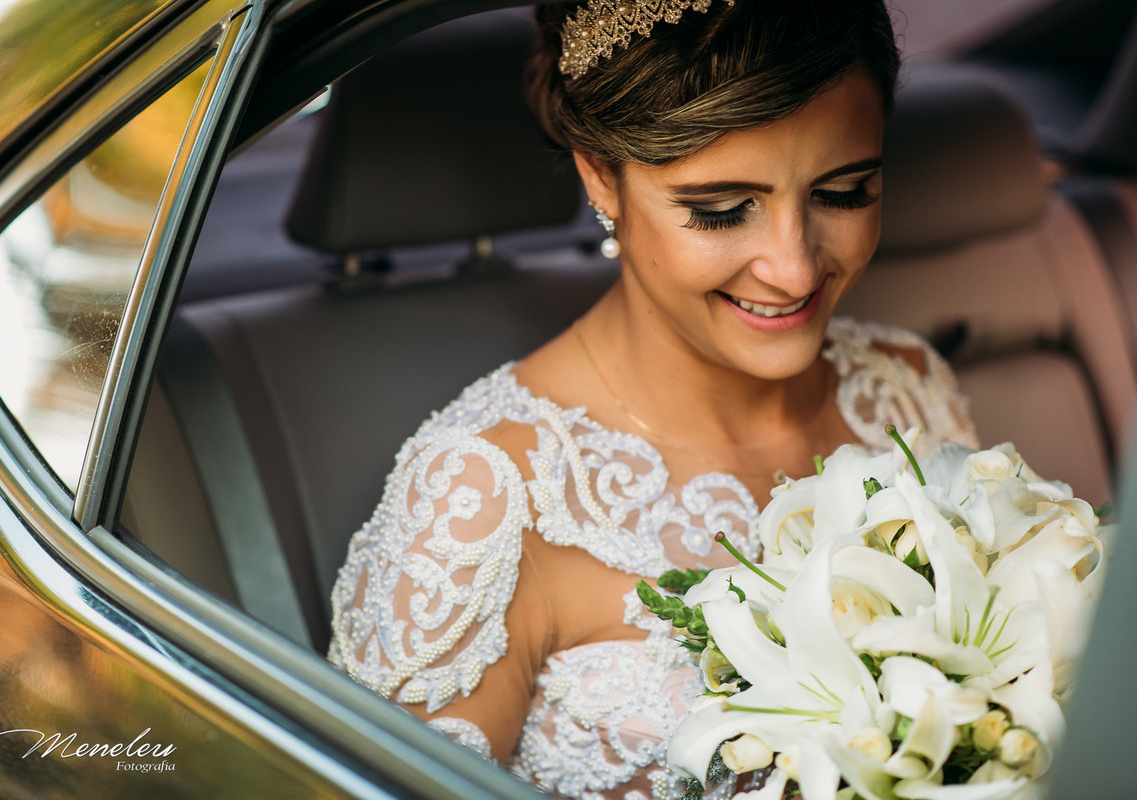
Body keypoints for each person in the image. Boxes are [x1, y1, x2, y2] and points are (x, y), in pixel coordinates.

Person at [328, 1, 978, 797]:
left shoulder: (906, 384)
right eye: (720, 210)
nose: (795, 269)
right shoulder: (483, 497)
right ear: (600, 173)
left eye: (844, 192)